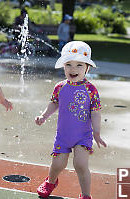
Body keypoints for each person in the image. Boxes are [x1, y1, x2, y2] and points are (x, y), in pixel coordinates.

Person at [35, 41, 107, 199]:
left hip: (83, 135)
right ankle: (51, 181)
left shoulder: (91, 90)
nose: (73, 69)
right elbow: (54, 103)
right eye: (69, 64)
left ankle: (86, 195)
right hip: (63, 135)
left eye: (79, 65)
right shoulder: (60, 87)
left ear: (87, 67)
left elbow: (95, 112)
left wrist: (97, 132)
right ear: (63, 66)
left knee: (80, 164)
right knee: (57, 165)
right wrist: (44, 116)